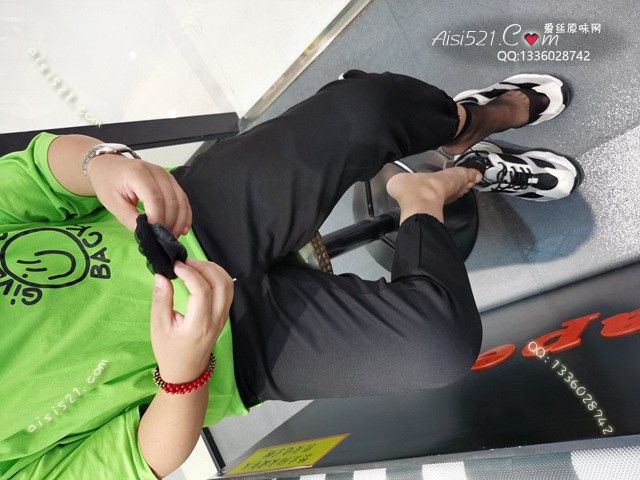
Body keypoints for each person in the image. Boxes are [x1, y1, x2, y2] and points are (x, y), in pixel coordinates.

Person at [0, 70, 581, 479]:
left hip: (189, 219)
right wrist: (182, 374)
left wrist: (98, 162)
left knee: (371, 110)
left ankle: (468, 121)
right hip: (229, 359)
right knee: (437, 346)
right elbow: (139, 459)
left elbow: (33, 175)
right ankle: (428, 192)